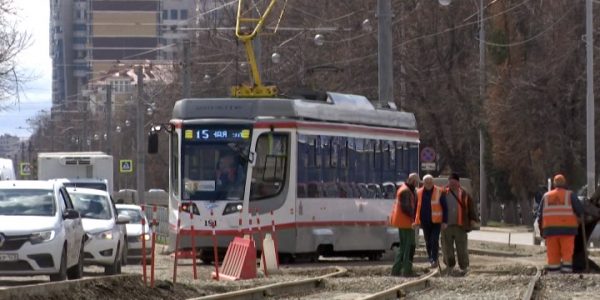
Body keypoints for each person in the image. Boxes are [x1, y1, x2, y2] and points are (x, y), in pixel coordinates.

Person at [536, 174, 583, 273]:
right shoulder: (570, 195)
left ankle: (554, 276)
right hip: (568, 230)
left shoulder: (546, 196)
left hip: (550, 231)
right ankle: (566, 276)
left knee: (553, 255)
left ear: (554, 183)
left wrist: (541, 231)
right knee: (567, 254)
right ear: (564, 183)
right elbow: (580, 210)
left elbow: (539, 216)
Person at [441, 173, 479, 276]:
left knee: (462, 247)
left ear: (458, 182)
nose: (452, 184)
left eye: (454, 182)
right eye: (450, 182)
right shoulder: (442, 192)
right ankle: (450, 267)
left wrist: (472, 219)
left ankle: (464, 267)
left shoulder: (464, 193)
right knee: (446, 248)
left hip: (460, 225)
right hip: (446, 226)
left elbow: (471, 208)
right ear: (448, 182)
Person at [413, 174, 448, 268]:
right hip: (425, 221)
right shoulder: (419, 192)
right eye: (426, 181)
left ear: (433, 182)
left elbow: (445, 207)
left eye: (430, 181)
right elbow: (416, 207)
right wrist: (415, 220)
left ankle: (434, 259)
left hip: (436, 221)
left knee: (434, 240)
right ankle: (430, 258)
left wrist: (445, 221)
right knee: (428, 241)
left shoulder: (439, 191)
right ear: (423, 183)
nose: (428, 183)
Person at [389, 173, 419, 277]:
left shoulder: (405, 189)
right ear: (413, 181)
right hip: (406, 223)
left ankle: (396, 271)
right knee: (409, 247)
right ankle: (406, 271)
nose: (417, 184)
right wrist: (416, 219)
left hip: (403, 222)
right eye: (416, 182)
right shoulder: (406, 191)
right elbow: (407, 208)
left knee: (403, 247)